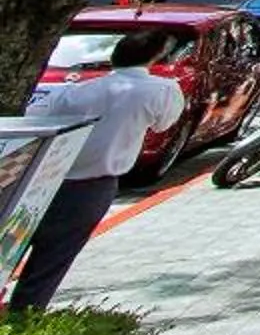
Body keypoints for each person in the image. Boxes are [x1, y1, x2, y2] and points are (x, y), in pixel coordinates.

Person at [8, 29, 186, 312]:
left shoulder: (76, 91)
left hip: (40, 180)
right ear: (155, 57)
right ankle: (24, 317)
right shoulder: (160, 90)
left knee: (11, 250)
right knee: (50, 262)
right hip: (91, 187)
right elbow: (164, 124)